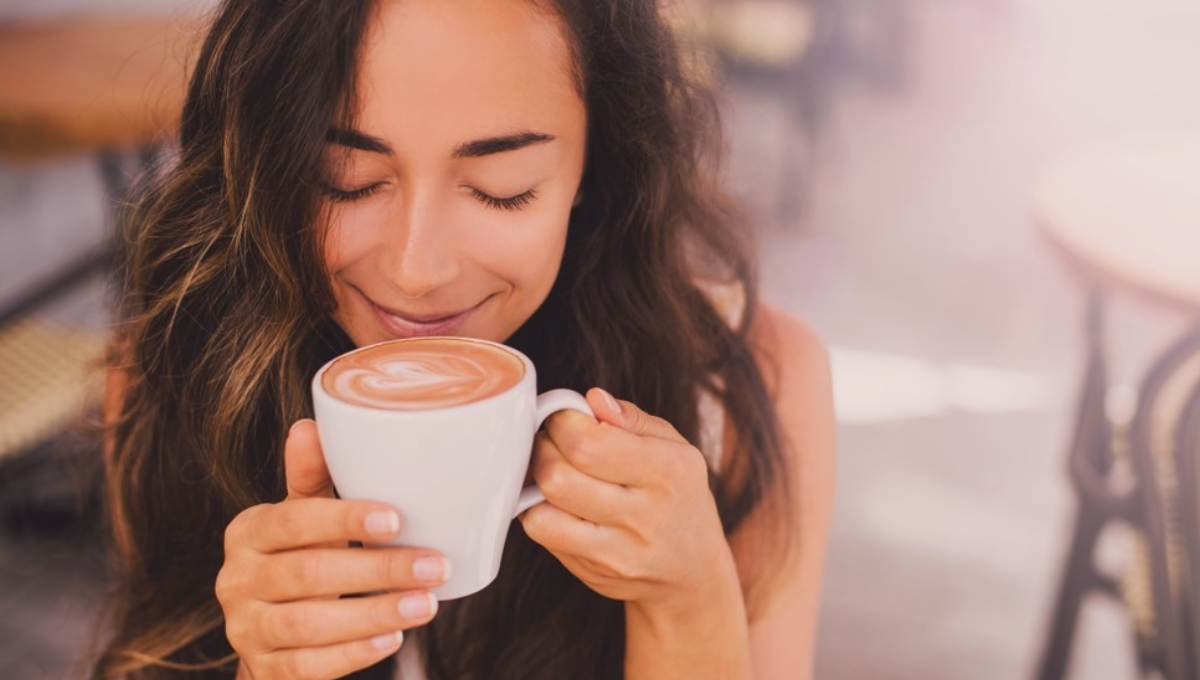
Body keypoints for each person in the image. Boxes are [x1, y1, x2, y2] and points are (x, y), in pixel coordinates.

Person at [92, 1, 836, 678]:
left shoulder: (750, 390)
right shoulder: (182, 373)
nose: (417, 271)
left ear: (593, 164)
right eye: (344, 179)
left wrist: (689, 603)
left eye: (500, 186)